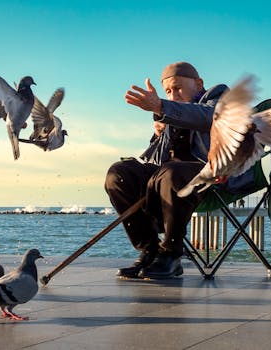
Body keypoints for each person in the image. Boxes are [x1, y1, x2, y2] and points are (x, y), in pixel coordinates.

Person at [105, 61, 254, 279]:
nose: (172, 95)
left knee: (171, 174)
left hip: (211, 174)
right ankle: (151, 249)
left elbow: (208, 117)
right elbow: (155, 159)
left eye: (178, 88)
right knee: (118, 174)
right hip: (166, 174)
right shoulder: (171, 113)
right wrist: (158, 134)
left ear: (199, 83)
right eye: (167, 91)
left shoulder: (218, 95)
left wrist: (161, 107)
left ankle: (171, 254)